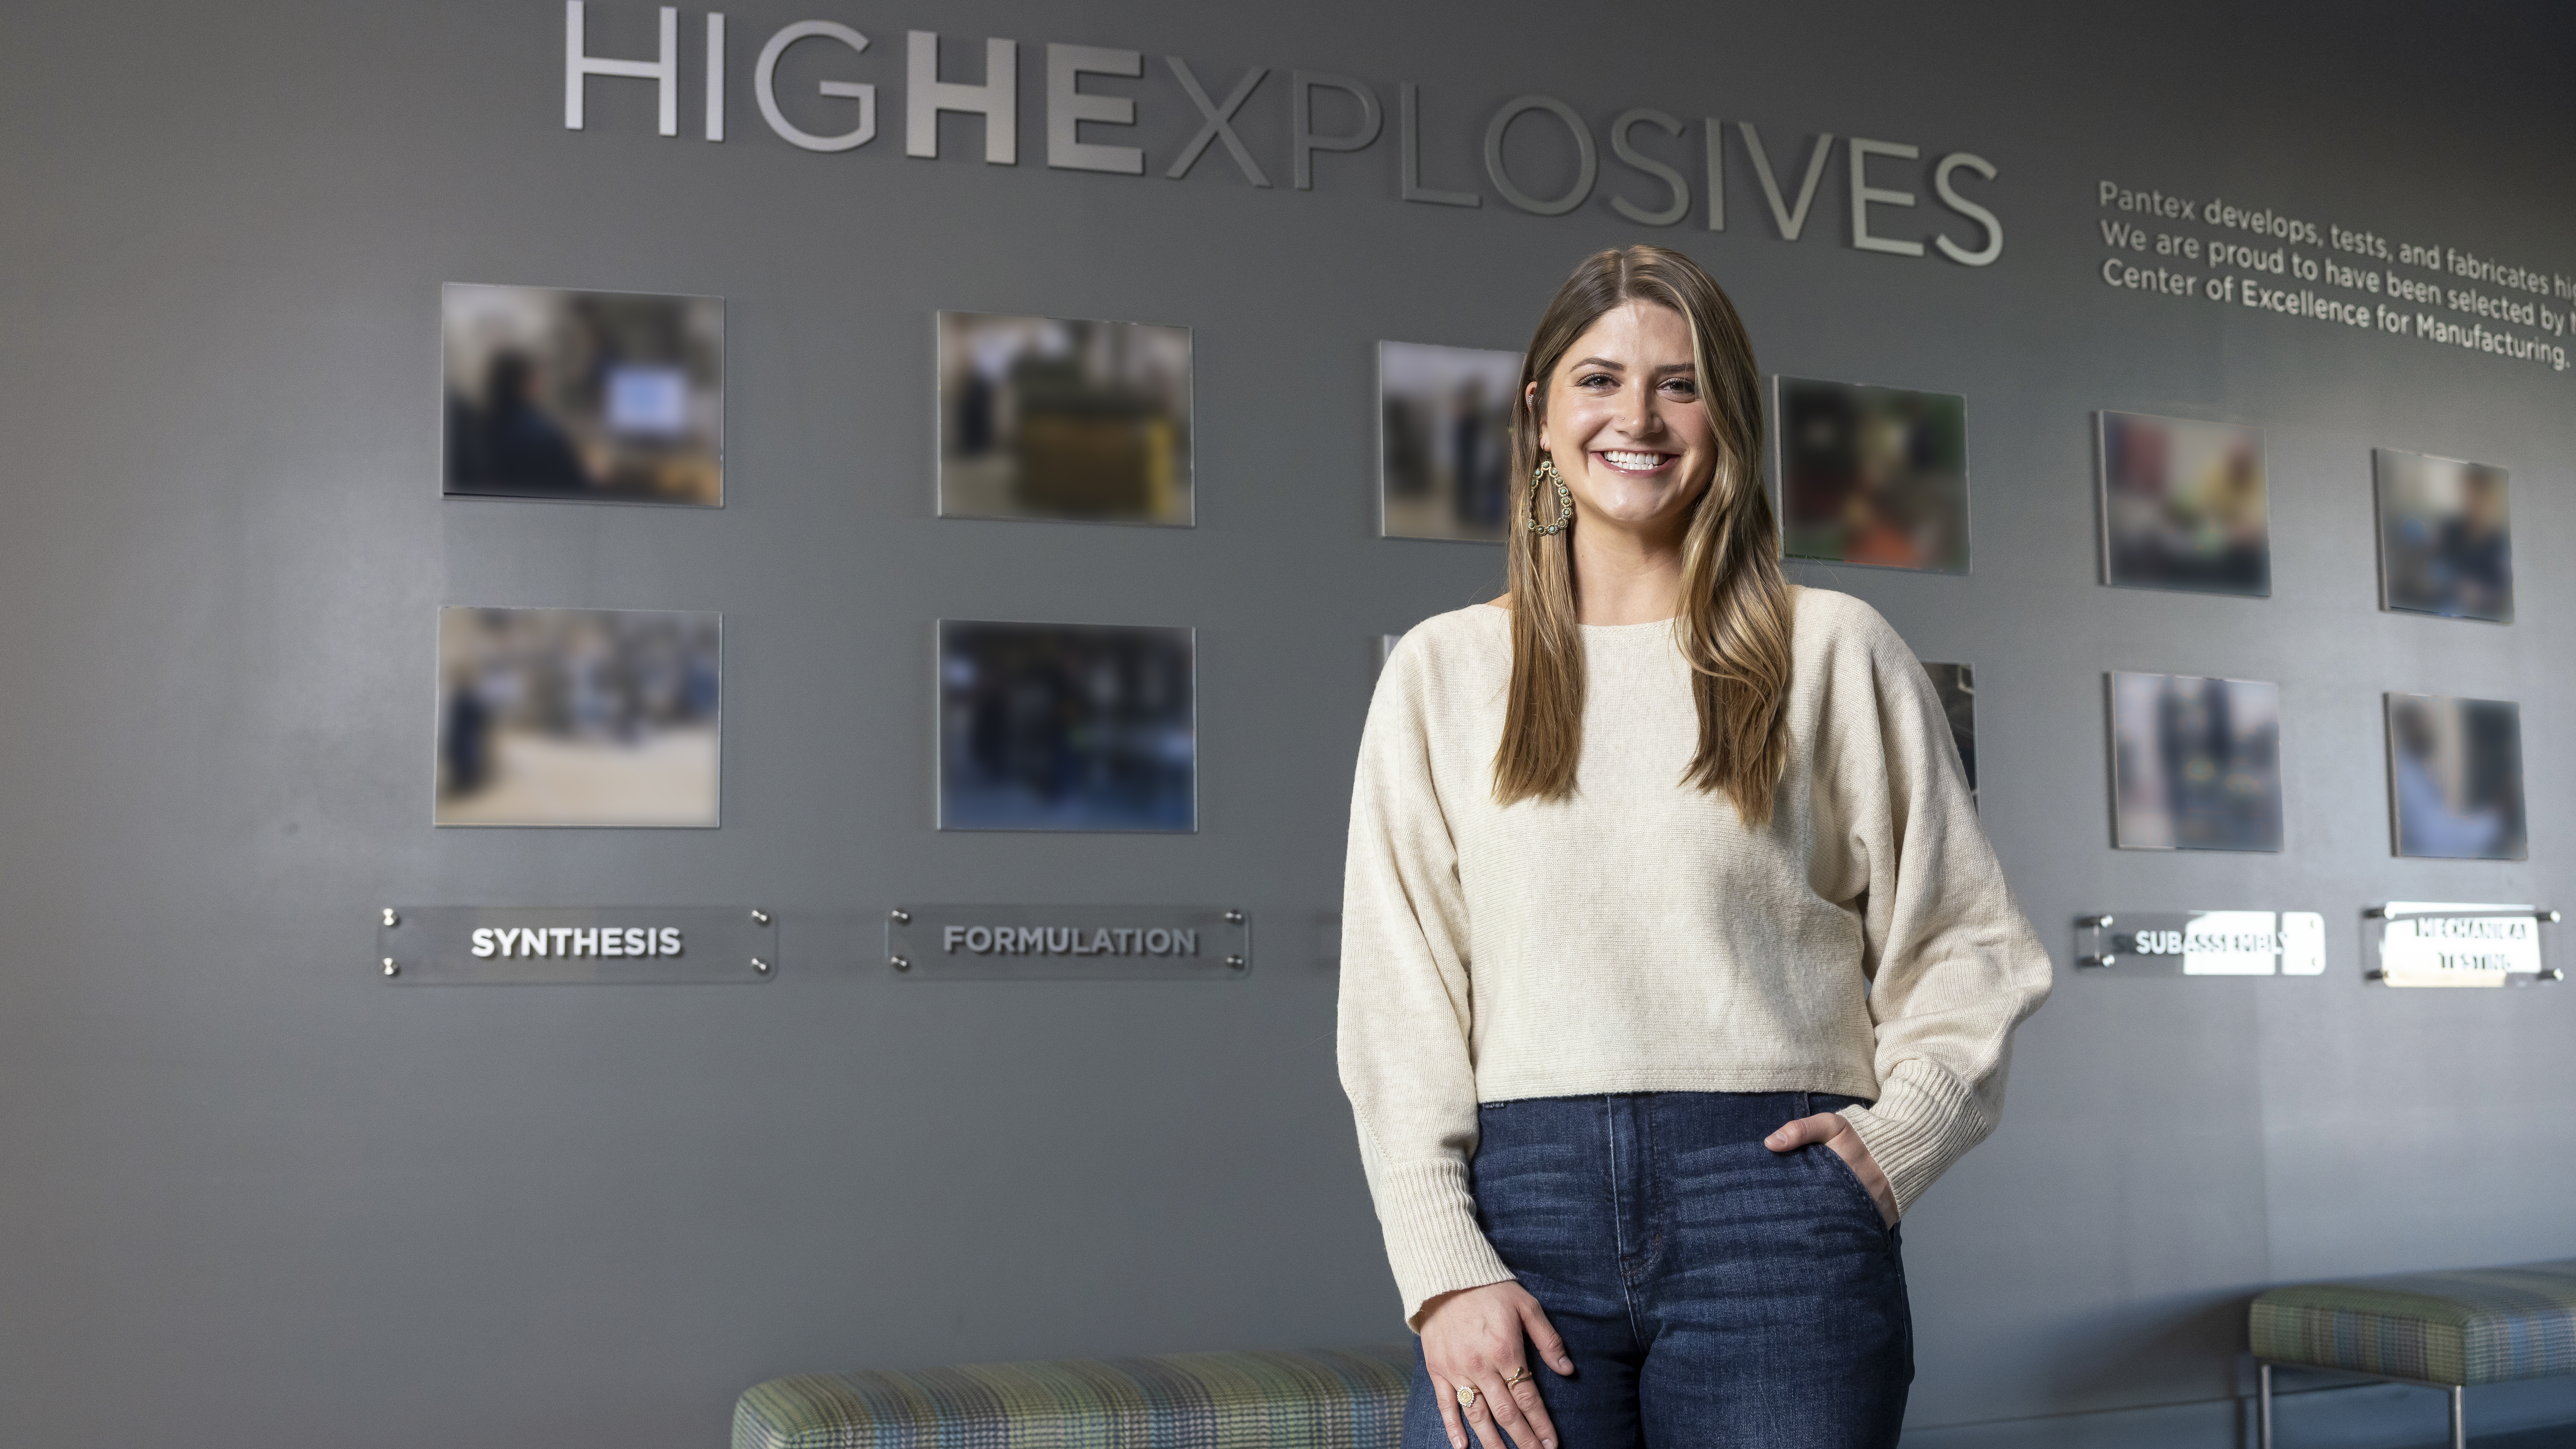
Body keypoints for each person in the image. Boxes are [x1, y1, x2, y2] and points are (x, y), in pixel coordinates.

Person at [1337, 246, 2052, 1449]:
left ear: (1728, 415)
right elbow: (1396, 995)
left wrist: (1892, 1146)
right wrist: (1440, 1264)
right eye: (1598, 380)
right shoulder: (1442, 669)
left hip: (1776, 1207)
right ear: (1539, 416)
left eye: (1679, 384)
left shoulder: (1834, 648)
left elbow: (1970, 947)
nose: (1637, 417)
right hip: (1522, 1208)